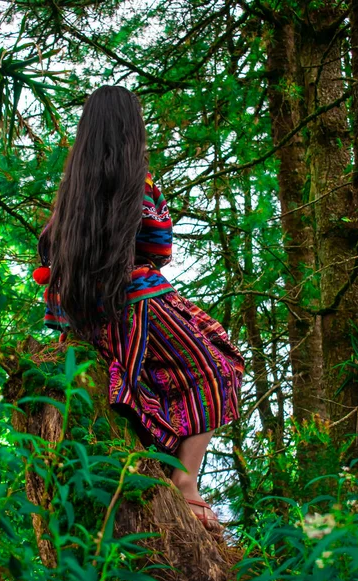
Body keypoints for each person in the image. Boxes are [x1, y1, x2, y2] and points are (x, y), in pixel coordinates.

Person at [33, 85, 245, 532]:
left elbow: (47, 251)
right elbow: (158, 245)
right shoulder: (136, 179)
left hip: (85, 316)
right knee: (218, 366)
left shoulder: (72, 188)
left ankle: (165, 469)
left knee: (149, 380)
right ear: (131, 128)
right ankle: (187, 487)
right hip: (136, 300)